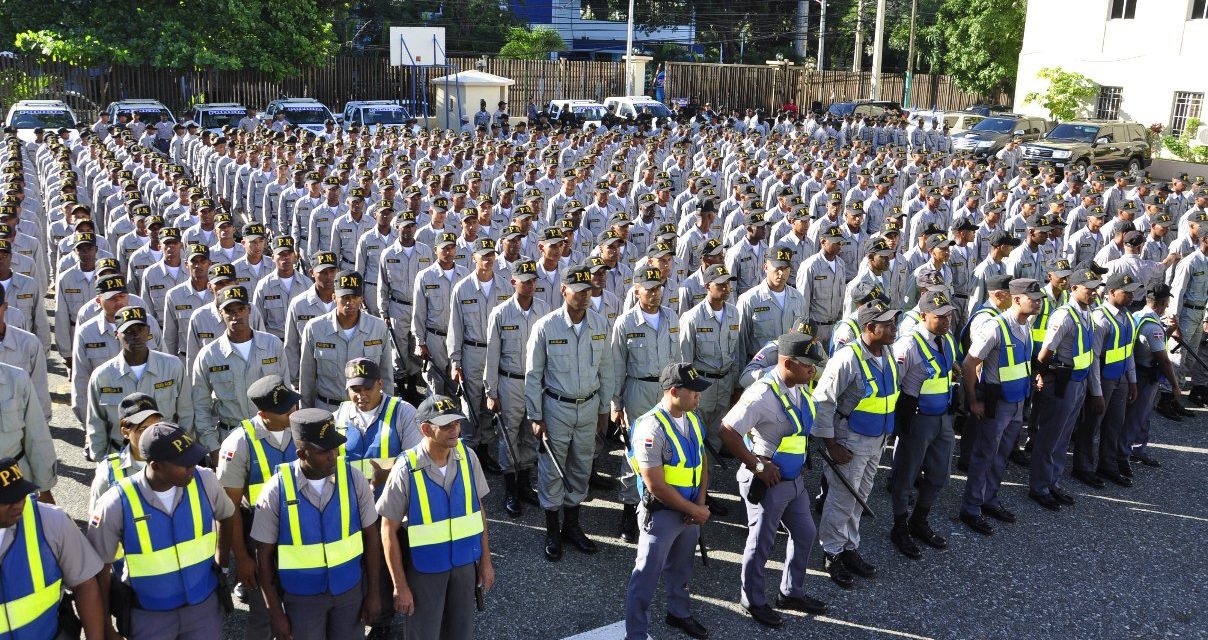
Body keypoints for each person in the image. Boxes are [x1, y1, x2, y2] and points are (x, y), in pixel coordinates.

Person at [87, 422, 236, 640]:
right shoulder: (115, 502)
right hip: (149, 617)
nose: (192, 466)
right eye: (184, 463)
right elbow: (99, 569)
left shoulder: (205, 480)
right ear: (156, 466)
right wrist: (106, 628)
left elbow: (227, 515)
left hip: (203, 608)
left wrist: (221, 566)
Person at [720, 333, 829, 628]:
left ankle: (790, 592)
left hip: (794, 480)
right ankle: (752, 598)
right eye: (807, 365)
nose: (813, 370)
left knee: (805, 533)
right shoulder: (761, 394)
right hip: (768, 482)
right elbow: (727, 429)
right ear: (788, 362)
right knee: (762, 543)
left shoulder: (800, 385)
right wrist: (757, 466)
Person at [251, 408, 382, 640]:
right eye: (324, 451)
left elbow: (372, 538)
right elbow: (263, 558)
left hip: (349, 593)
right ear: (301, 454)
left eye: (335, 447)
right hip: (302, 600)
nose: (333, 455)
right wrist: (275, 613)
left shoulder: (355, 479)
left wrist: (373, 593)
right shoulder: (275, 489)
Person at [377, 395, 495, 640]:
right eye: (446, 425)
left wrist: (485, 561)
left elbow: (478, 512)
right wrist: (400, 586)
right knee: (424, 634)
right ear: (425, 429)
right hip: (425, 571)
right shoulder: (406, 468)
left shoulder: (468, 456)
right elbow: (388, 531)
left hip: (464, 566)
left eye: (457, 423)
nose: (455, 430)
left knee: (461, 633)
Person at [524, 265, 615, 561]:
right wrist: (536, 417)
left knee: (580, 466)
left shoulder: (600, 325)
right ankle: (552, 529)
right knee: (551, 469)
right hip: (556, 408)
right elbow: (533, 375)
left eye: (588, 290)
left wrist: (604, 408)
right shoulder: (546, 327)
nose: (585, 296)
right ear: (564, 291)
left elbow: (606, 369)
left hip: (588, 408)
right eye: (579, 291)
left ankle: (572, 526)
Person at [812, 300, 900, 589]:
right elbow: (823, 403)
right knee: (841, 498)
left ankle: (849, 546)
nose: (893, 327)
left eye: (893, 322)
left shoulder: (887, 352)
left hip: (877, 440)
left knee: (860, 496)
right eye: (886, 324)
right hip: (850, 441)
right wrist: (831, 445)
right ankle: (832, 553)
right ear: (869, 327)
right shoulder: (847, 358)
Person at [624, 363, 712, 640]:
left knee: (682, 568)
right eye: (694, 392)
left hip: (689, 513)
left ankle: (678, 613)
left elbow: (702, 463)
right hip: (661, 515)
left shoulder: (693, 419)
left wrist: (699, 503)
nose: (699, 397)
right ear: (674, 391)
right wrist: (694, 509)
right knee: (646, 577)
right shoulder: (650, 428)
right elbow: (655, 484)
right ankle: (636, 634)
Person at [215, 375, 299, 640]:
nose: (293, 410)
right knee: (263, 613)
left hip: (299, 535)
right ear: (263, 414)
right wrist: (242, 558)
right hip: (259, 536)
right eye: (285, 409)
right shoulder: (238, 443)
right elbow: (230, 509)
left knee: (300, 609)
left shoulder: (301, 428)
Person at [958, 278, 1041, 534]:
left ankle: (989, 500)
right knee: (984, 456)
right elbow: (969, 364)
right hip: (996, 403)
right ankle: (971, 508)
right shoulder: (995, 327)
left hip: (1016, 402)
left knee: (1001, 455)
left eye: (1039, 298)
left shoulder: (1026, 325)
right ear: (1017, 299)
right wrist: (973, 400)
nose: (1038, 302)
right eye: (1033, 298)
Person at [611, 265, 683, 543]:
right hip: (638, 389)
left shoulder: (672, 317)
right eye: (649, 289)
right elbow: (617, 366)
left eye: (658, 288)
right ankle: (629, 509)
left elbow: (677, 359)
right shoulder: (625, 323)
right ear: (636, 291)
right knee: (635, 454)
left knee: (666, 450)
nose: (654, 294)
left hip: (667, 392)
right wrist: (616, 404)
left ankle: (661, 504)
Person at [0, 456, 107, 640]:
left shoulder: (52, 521)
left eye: (21, 494)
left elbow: (85, 585)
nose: (18, 504)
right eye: (7, 499)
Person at [887, 292, 957, 560]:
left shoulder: (946, 339)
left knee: (940, 474)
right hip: (917, 419)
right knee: (905, 476)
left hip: (943, 418)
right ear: (923, 315)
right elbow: (896, 384)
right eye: (940, 317)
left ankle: (919, 519)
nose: (946, 321)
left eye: (949, 315)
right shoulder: (908, 345)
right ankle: (899, 526)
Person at [1030, 266, 1101, 512]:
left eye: (1095, 290)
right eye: (1089, 289)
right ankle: (1039, 487)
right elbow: (1045, 352)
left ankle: (1053, 482)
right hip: (1062, 380)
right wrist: (1041, 375)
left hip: (1078, 382)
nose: (1093, 294)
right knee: (1050, 436)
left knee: (1063, 437)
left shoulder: (1087, 311)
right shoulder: (1064, 316)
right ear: (1074, 288)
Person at [192, 285, 289, 461]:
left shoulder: (272, 345)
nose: (236, 315)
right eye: (229, 311)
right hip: (229, 439)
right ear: (220, 313)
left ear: (249, 310)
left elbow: (286, 394)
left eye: (241, 309)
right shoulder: (209, 355)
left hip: (272, 436)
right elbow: (200, 406)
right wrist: (213, 447)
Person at [484, 259, 549, 517]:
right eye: (525, 281)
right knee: (508, 435)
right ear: (513, 282)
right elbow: (492, 355)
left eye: (534, 280)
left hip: (535, 381)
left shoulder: (544, 310)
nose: (531, 285)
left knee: (528, 433)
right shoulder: (500, 313)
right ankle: (510, 489)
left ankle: (525, 484)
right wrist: (491, 392)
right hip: (509, 381)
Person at [86, 305, 193, 462]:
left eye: (140, 329)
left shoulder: (172, 366)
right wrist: (101, 462)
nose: (135, 335)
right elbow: (96, 423)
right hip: (121, 456)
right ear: (116, 334)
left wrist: (183, 453)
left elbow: (186, 414)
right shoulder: (102, 376)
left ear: (148, 331)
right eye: (128, 331)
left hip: (166, 455)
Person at [1073, 273, 1141, 489]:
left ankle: (1107, 465)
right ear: (1111, 292)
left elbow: (1127, 351)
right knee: (1092, 424)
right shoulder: (1101, 318)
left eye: (1132, 292)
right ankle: (1083, 467)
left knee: (1114, 424)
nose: (1131, 296)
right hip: (1102, 379)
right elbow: (1093, 359)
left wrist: (1132, 380)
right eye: (1126, 292)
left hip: (1120, 378)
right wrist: (1096, 392)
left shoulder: (1127, 316)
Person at [298, 270, 394, 411]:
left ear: (362, 299)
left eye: (355, 297)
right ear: (334, 298)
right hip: (328, 410)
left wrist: (387, 412)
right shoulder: (314, 329)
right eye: (345, 297)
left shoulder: (378, 328)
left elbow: (386, 375)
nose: (350, 302)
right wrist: (306, 414)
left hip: (367, 411)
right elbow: (307, 378)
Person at [333, 357, 420, 496]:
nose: (361, 395)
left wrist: (388, 473)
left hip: (391, 503)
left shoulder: (404, 413)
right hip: (350, 504)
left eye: (367, 388)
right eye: (355, 389)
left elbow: (416, 461)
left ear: (380, 384)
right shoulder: (337, 417)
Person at [1124, 284, 1177, 469]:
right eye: (1166, 303)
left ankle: (1136, 450)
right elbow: (1163, 360)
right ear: (1161, 303)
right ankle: (1124, 455)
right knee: (1138, 416)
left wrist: (1168, 331)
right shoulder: (1152, 326)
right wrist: (1175, 386)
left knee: (1138, 416)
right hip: (1146, 375)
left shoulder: (1137, 316)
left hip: (1136, 370)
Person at [89, 393, 158, 513]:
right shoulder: (108, 470)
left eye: (155, 427)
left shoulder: (175, 462)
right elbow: (97, 519)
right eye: (143, 429)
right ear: (125, 432)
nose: (151, 434)